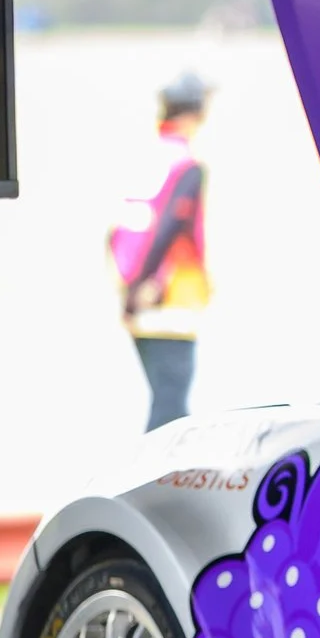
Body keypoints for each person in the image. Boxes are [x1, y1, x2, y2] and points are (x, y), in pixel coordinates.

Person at [110, 72, 212, 430]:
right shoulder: (186, 165)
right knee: (171, 408)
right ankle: (152, 484)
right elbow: (170, 226)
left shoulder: (143, 157)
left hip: (135, 292)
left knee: (163, 397)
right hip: (169, 297)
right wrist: (145, 285)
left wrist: (129, 292)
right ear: (194, 114)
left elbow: (116, 228)